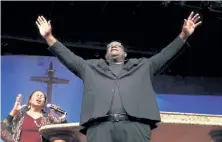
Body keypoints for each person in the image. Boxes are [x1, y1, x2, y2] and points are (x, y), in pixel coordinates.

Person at [35, 11, 202, 142]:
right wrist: (49, 37)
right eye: (110, 46)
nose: (114, 46)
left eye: (118, 46)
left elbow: (166, 55)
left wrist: (183, 35)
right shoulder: (90, 68)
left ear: (125, 53)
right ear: (106, 54)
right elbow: (68, 57)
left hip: (135, 126)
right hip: (99, 128)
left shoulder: (143, 66)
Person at [1, 90, 67, 142]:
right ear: (30, 100)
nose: (39, 97)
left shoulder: (49, 117)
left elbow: (66, 134)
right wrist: (14, 110)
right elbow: (2, 130)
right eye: (37, 95)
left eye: (42, 96)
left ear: (44, 103)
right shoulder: (21, 115)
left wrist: (61, 116)